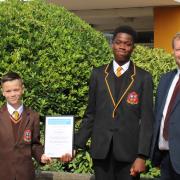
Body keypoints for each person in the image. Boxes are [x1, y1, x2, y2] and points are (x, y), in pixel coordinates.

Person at [74, 26, 154, 180]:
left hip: (129, 154)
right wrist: (76, 145)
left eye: (127, 44)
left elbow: (147, 121)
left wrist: (142, 155)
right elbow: (90, 114)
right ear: (112, 44)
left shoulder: (143, 78)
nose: (122, 47)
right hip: (101, 152)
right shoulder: (98, 74)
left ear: (133, 48)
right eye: (118, 42)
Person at [0, 72, 52, 180]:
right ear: (3, 92)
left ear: (22, 89)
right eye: (8, 91)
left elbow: (35, 144)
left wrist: (41, 156)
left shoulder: (33, 116)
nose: (13, 94)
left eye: (16, 90)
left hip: (25, 174)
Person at [151, 33, 180, 180]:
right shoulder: (165, 79)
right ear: (173, 52)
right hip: (165, 158)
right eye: (178, 49)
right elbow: (158, 116)